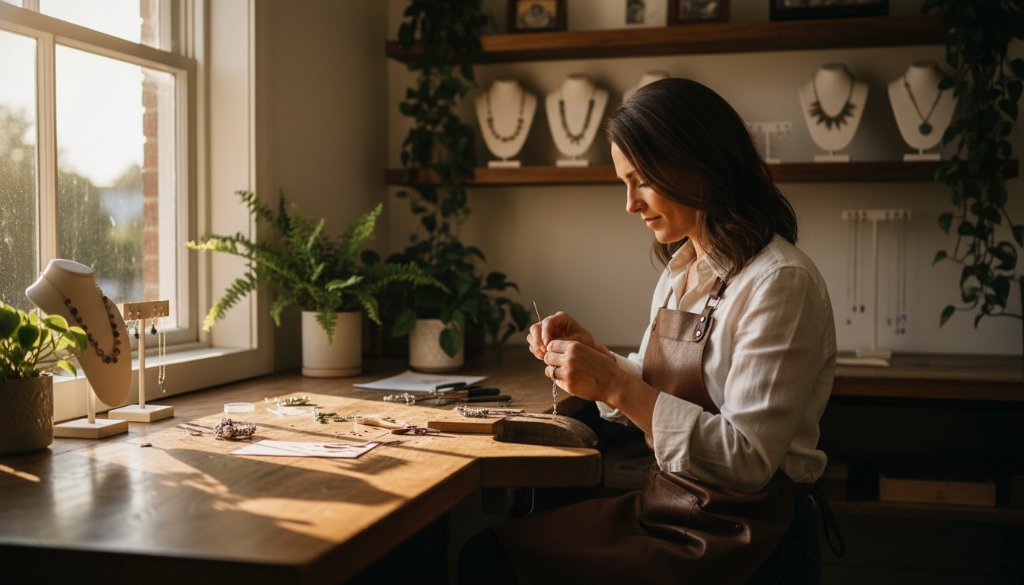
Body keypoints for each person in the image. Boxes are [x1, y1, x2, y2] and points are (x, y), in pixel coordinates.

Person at [459, 78, 842, 585]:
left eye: (640, 180)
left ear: (697, 165)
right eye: (624, 183)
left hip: (747, 538)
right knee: (491, 553)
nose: (630, 204)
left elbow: (746, 460)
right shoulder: (682, 269)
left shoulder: (779, 282)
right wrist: (596, 359)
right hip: (672, 509)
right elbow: (658, 386)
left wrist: (616, 384)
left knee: (495, 564)